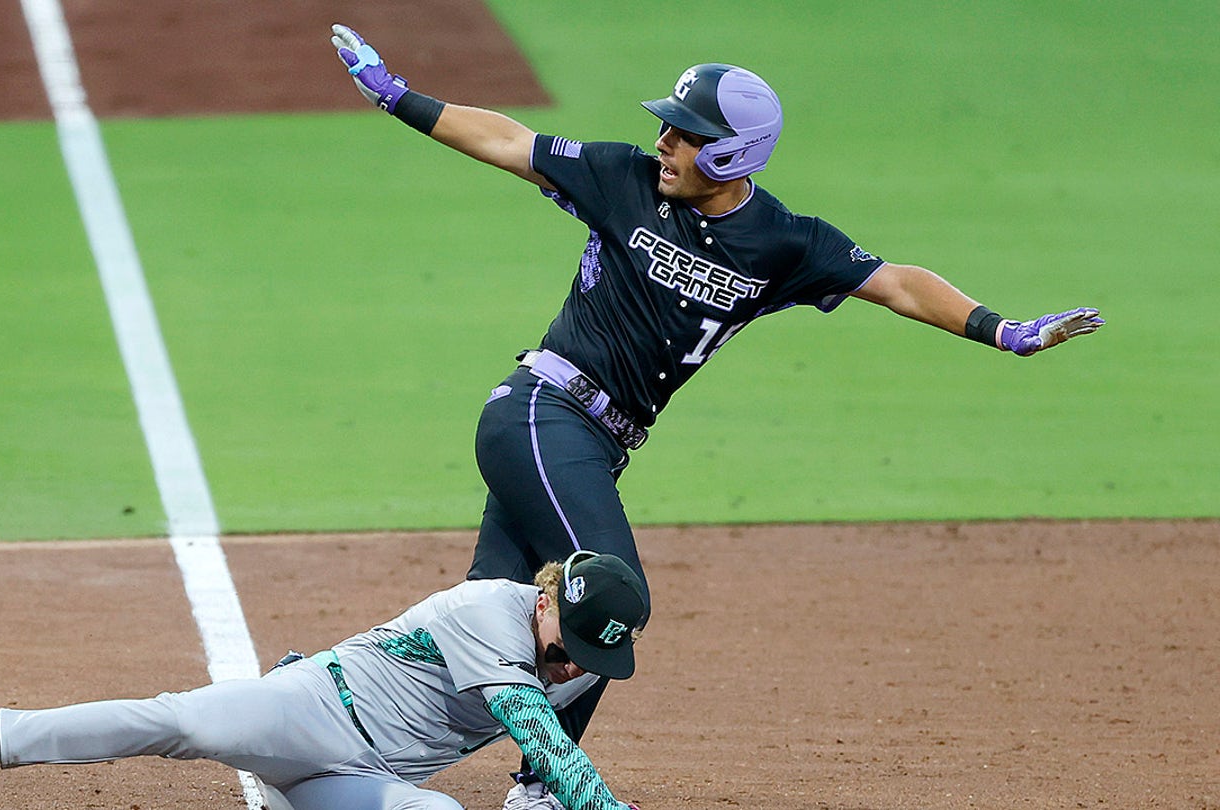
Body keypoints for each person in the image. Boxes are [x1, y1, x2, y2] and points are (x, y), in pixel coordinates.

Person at [327, 23, 1106, 810]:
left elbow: (897, 282)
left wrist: (1001, 330)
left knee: (486, 613)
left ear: (734, 154)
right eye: (667, 127)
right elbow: (509, 142)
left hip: (586, 444)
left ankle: (335, 718)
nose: (663, 142)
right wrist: (398, 98)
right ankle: (544, 789)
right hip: (541, 415)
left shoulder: (782, 244)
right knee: (609, 599)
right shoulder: (621, 178)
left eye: (686, 134)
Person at [0, 551, 645, 810]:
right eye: (572, 643)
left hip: (357, 781)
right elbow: (548, 745)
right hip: (311, 710)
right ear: (547, 599)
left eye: (592, 658)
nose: (574, 666)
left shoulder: (568, 664)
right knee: (178, 722)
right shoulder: (489, 612)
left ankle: (280, 796)